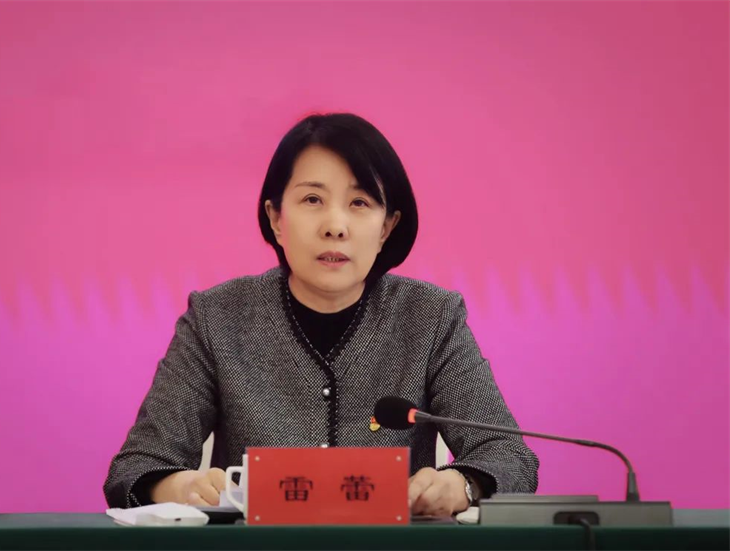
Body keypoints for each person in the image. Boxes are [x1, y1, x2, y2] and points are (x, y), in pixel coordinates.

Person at [104, 113, 539, 516]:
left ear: (386, 227)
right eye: (313, 199)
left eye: (360, 203)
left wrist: (462, 484)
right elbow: (135, 467)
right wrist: (177, 487)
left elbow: (510, 456)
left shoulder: (430, 317)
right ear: (276, 218)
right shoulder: (217, 319)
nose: (335, 226)